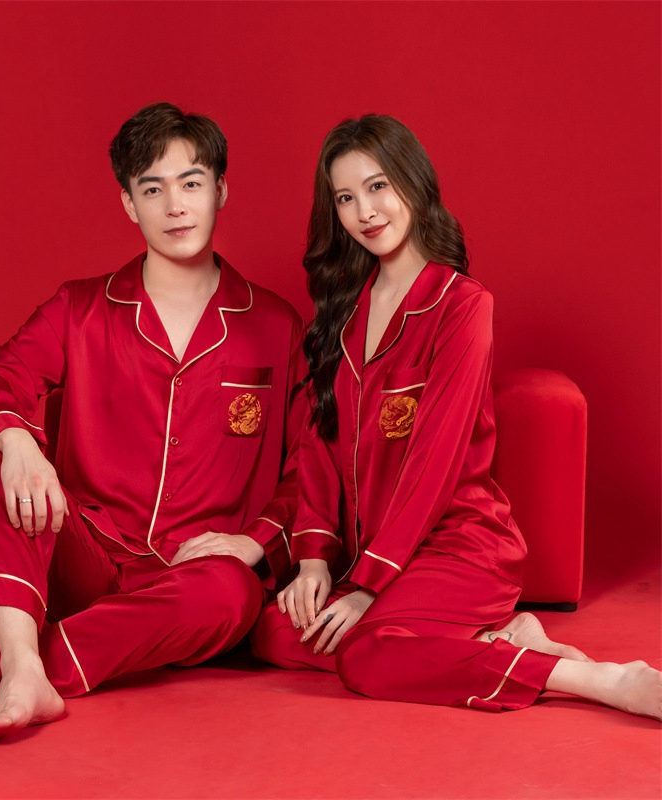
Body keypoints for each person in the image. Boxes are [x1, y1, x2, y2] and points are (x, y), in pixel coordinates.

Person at [0, 102, 303, 744]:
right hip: (84, 557)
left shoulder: (276, 325)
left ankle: (6, 665)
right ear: (129, 204)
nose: (175, 206)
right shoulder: (78, 308)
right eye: (153, 189)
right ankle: (22, 665)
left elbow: (307, 467)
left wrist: (254, 544)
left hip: (191, 579)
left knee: (233, 594)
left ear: (221, 190)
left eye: (192, 183)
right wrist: (19, 442)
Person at [251, 114, 661, 721]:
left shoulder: (462, 306)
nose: (365, 211)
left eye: (378, 186)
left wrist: (367, 588)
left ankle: (596, 678)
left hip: (459, 548)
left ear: (413, 183)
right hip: (372, 555)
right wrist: (314, 558)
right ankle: (498, 640)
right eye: (345, 197)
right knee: (274, 631)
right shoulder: (342, 310)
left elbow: (435, 461)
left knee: (365, 655)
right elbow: (318, 443)